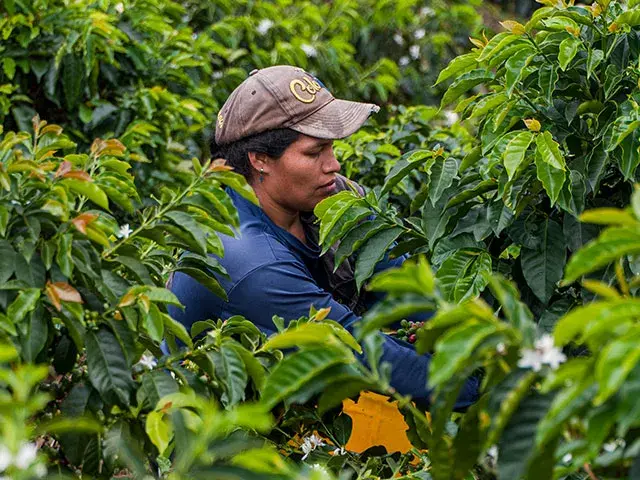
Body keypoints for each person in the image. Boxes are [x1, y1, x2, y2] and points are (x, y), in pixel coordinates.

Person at [168, 65, 478, 410]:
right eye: (314, 153)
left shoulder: (327, 199)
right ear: (260, 160)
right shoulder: (249, 260)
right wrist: (501, 389)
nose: (333, 165)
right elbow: (365, 353)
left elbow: (406, 292)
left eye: (331, 148)